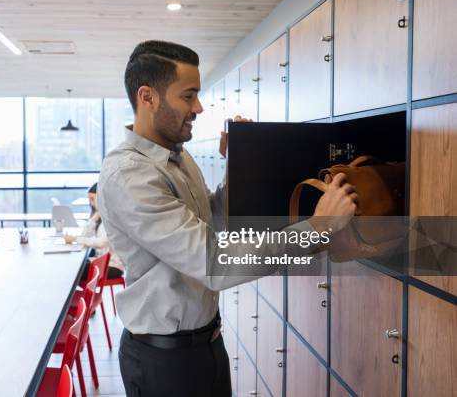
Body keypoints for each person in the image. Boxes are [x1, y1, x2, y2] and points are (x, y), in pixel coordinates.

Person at [97, 40, 358, 397]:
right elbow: (215, 263)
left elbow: (215, 222)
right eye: (187, 96)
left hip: (207, 346)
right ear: (148, 97)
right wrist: (319, 228)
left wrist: (238, 162)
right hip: (164, 363)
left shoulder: (179, 157)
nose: (198, 107)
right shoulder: (129, 176)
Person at [64, 183, 124, 279]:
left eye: (93, 199)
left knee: (73, 270)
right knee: (73, 266)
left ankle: (83, 294)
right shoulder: (101, 217)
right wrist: (93, 219)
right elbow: (85, 236)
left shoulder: (111, 218)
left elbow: (101, 243)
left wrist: (75, 238)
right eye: (89, 200)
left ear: (102, 198)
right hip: (101, 262)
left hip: (112, 267)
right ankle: (82, 293)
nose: (91, 203)